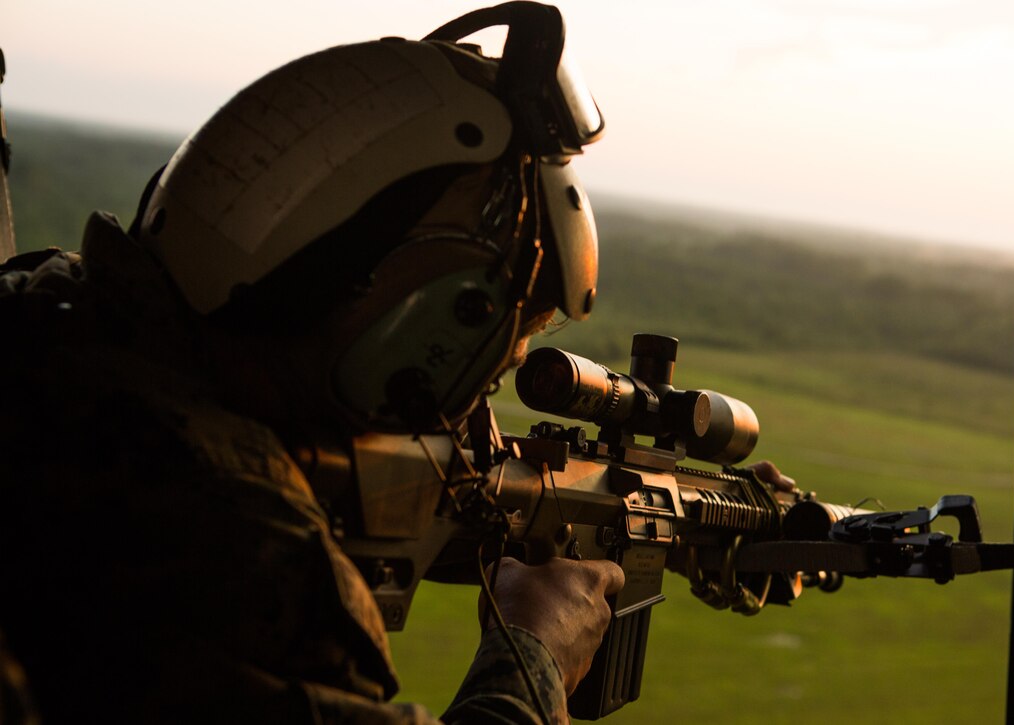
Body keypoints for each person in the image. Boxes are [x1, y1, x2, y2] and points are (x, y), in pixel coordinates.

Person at [0, 3, 624, 723]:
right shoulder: (245, 555)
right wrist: (534, 654)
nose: (471, 424)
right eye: (476, 376)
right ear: (403, 338)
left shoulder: (59, 317)